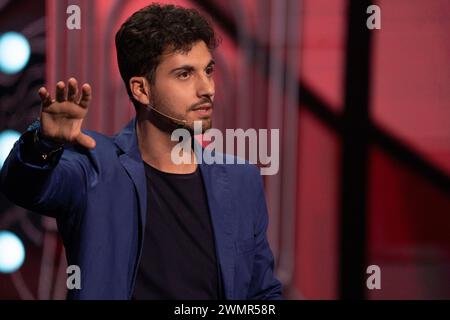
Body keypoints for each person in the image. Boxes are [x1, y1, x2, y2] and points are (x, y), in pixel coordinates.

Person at [0, 3, 282, 300]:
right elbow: (21, 187)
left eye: (208, 70)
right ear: (141, 90)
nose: (207, 88)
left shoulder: (241, 180)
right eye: (185, 74)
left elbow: (262, 294)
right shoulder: (95, 166)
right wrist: (43, 143)